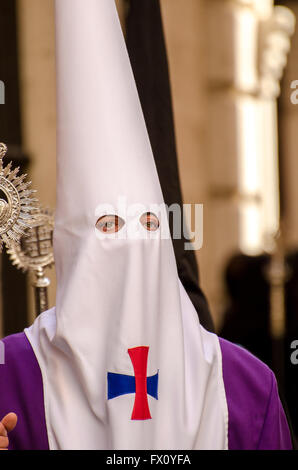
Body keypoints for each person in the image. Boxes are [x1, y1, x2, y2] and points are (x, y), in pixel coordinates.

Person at [0, 0, 292, 450]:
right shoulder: (10, 377)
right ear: (71, 244)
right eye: (109, 226)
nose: (131, 244)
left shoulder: (245, 385)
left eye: (148, 224)